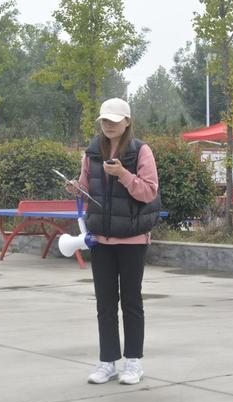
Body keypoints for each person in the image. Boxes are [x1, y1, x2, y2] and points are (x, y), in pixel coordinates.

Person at [67, 98, 160, 385]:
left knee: (131, 301)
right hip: (102, 239)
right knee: (105, 303)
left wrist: (123, 175)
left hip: (132, 239)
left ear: (127, 122)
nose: (108, 125)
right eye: (104, 120)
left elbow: (149, 192)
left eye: (114, 120)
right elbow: (86, 187)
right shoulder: (92, 153)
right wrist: (76, 188)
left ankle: (133, 362)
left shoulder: (140, 151)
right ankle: (107, 361)